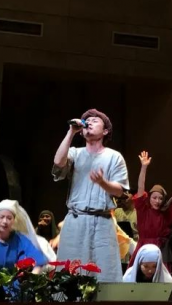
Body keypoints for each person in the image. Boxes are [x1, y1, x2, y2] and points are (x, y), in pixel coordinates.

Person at [53, 108, 129, 282]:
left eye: (95, 120)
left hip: (102, 222)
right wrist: (71, 132)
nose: (90, 122)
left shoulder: (114, 157)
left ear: (105, 131)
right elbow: (58, 162)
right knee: (69, 275)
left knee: (104, 273)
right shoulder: (75, 153)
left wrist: (103, 183)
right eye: (87, 120)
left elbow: (119, 191)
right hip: (76, 220)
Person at [131, 150, 172, 267]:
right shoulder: (143, 210)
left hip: (160, 251)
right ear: (149, 198)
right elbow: (140, 186)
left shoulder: (165, 215)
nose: (157, 201)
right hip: (143, 249)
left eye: (160, 198)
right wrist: (144, 167)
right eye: (154, 198)